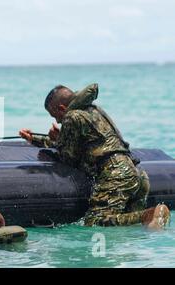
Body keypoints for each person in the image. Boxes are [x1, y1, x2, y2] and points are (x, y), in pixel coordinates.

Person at [19, 83, 170, 230]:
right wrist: (39, 139)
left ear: (61, 108)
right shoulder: (94, 110)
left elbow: (68, 158)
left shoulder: (72, 117)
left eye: (55, 116)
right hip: (136, 173)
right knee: (127, 224)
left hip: (115, 173)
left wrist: (56, 141)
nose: (57, 121)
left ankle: (148, 215)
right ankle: (148, 218)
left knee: (96, 221)